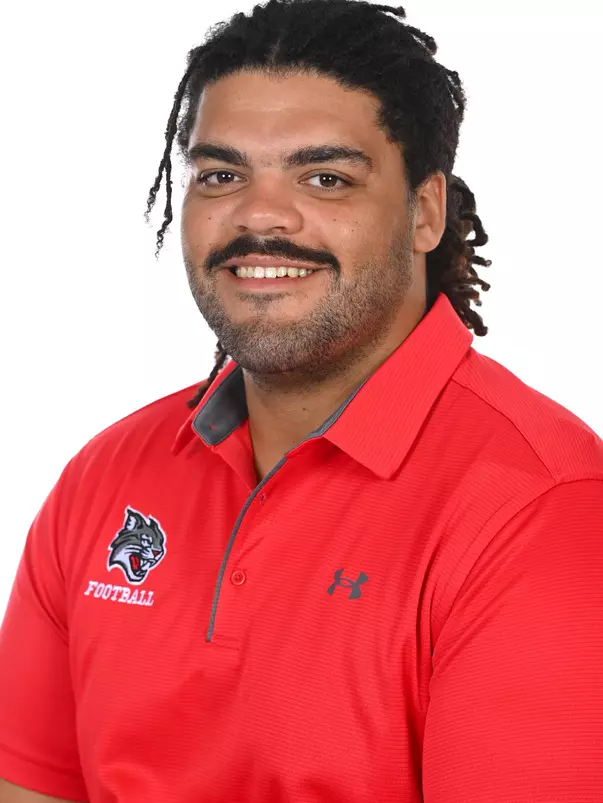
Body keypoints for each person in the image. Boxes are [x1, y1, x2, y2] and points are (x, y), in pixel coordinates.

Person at [1, 0, 602, 800]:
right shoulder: (105, 476)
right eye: (221, 175)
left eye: (325, 177)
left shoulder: (542, 509)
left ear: (425, 212)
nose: (260, 216)